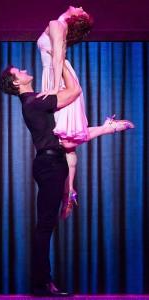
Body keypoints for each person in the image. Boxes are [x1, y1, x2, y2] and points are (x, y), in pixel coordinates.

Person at [37, 6, 135, 220]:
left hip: (60, 79)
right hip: (56, 76)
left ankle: (107, 128)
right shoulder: (58, 25)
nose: (80, 6)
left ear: (75, 19)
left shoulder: (56, 24)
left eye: (81, 10)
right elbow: (56, 57)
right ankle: (69, 191)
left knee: (66, 141)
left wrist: (54, 89)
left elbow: (57, 58)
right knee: (65, 141)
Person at [0, 56, 82, 296]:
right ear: (16, 83)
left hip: (52, 162)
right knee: (45, 225)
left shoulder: (36, 100)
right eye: (19, 71)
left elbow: (69, 92)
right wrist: (63, 60)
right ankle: (42, 285)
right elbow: (75, 91)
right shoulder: (34, 102)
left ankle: (43, 283)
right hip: (50, 164)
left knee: (46, 224)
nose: (24, 70)